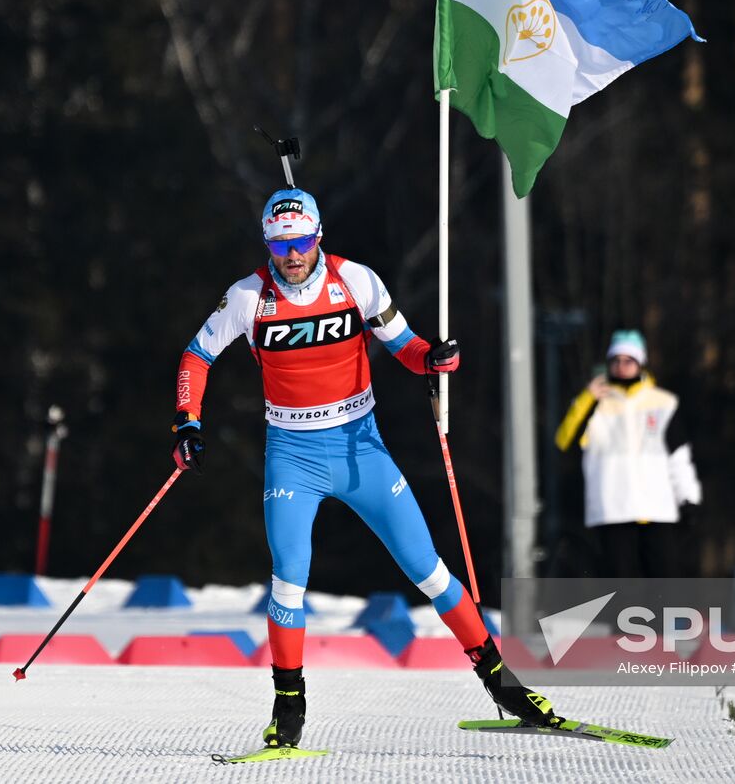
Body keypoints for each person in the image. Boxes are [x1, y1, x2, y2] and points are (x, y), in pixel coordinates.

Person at [171, 187, 557, 752]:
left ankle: (504, 684)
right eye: (280, 244)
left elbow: (404, 344)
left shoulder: (356, 280)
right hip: (293, 456)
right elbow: (196, 357)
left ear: (318, 236)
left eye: (301, 240)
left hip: (361, 449)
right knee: (288, 577)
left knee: (428, 570)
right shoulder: (249, 297)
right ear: (268, 245)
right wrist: (188, 422)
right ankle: (289, 708)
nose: (292, 254)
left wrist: (433, 359)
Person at [553, 330, 699, 579]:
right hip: (613, 508)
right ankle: (626, 619)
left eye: (628, 360)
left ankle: (662, 619)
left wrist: (688, 497)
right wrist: (586, 400)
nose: (621, 366)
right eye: (616, 360)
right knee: (621, 579)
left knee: (664, 576)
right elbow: (565, 441)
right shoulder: (592, 403)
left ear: (640, 362)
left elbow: (679, 457)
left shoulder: (662, 402)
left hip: (656, 507)